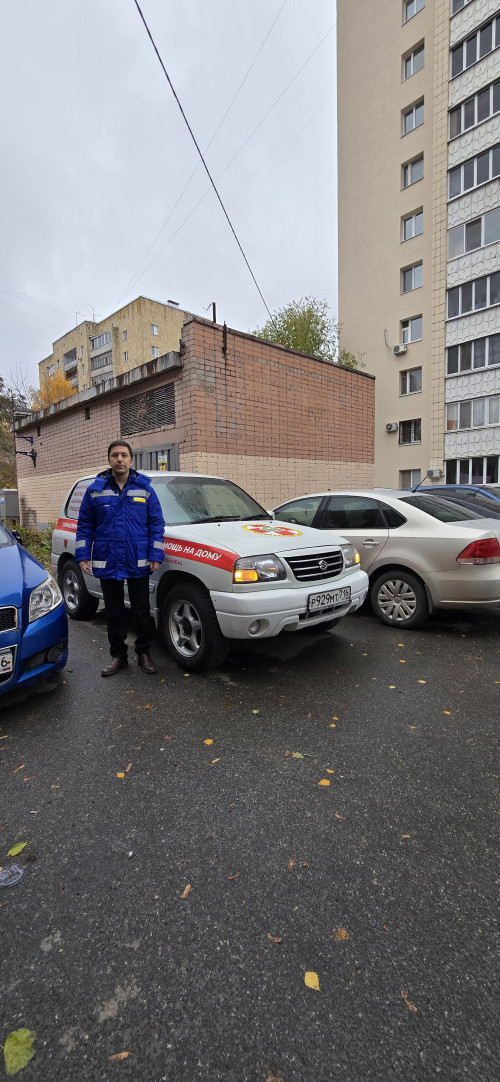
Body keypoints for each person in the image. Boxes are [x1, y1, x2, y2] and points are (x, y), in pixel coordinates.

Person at [76, 440, 165, 676]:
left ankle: (144, 653)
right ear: (109, 460)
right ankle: (118, 656)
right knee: (113, 612)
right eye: (115, 455)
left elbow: (156, 524)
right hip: (108, 558)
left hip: (138, 558)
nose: (119, 459)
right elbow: (85, 525)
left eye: (124, 455)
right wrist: (83, 554)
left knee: (141, 610)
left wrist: (155, 553)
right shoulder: (95, 490)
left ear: (131, 460)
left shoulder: (145, 489)